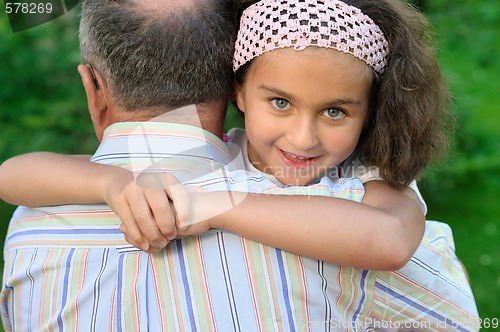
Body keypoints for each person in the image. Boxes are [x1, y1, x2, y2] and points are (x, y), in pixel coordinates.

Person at [0, 0, 480, 330]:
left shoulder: (28, 237)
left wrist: (211, 206)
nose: (302, 137)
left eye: (335, 110)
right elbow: (10, 175)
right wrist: (109, 182)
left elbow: (390, 239)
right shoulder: (181, 169)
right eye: (280, 103)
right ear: (237, 90)